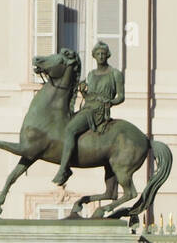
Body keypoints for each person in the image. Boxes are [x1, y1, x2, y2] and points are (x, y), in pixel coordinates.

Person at [53, 41, 125, 186]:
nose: (100, 56)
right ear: (94, 56)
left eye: (103, 54)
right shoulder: (91, 75)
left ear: (108, 56)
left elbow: (121, 97)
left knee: (70, 129)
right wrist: (84, 92)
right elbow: (88, 95)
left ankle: (64, 169)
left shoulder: (115, 74)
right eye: (98, 54)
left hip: (97, 111)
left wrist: (110, 101)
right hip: (87, 107)